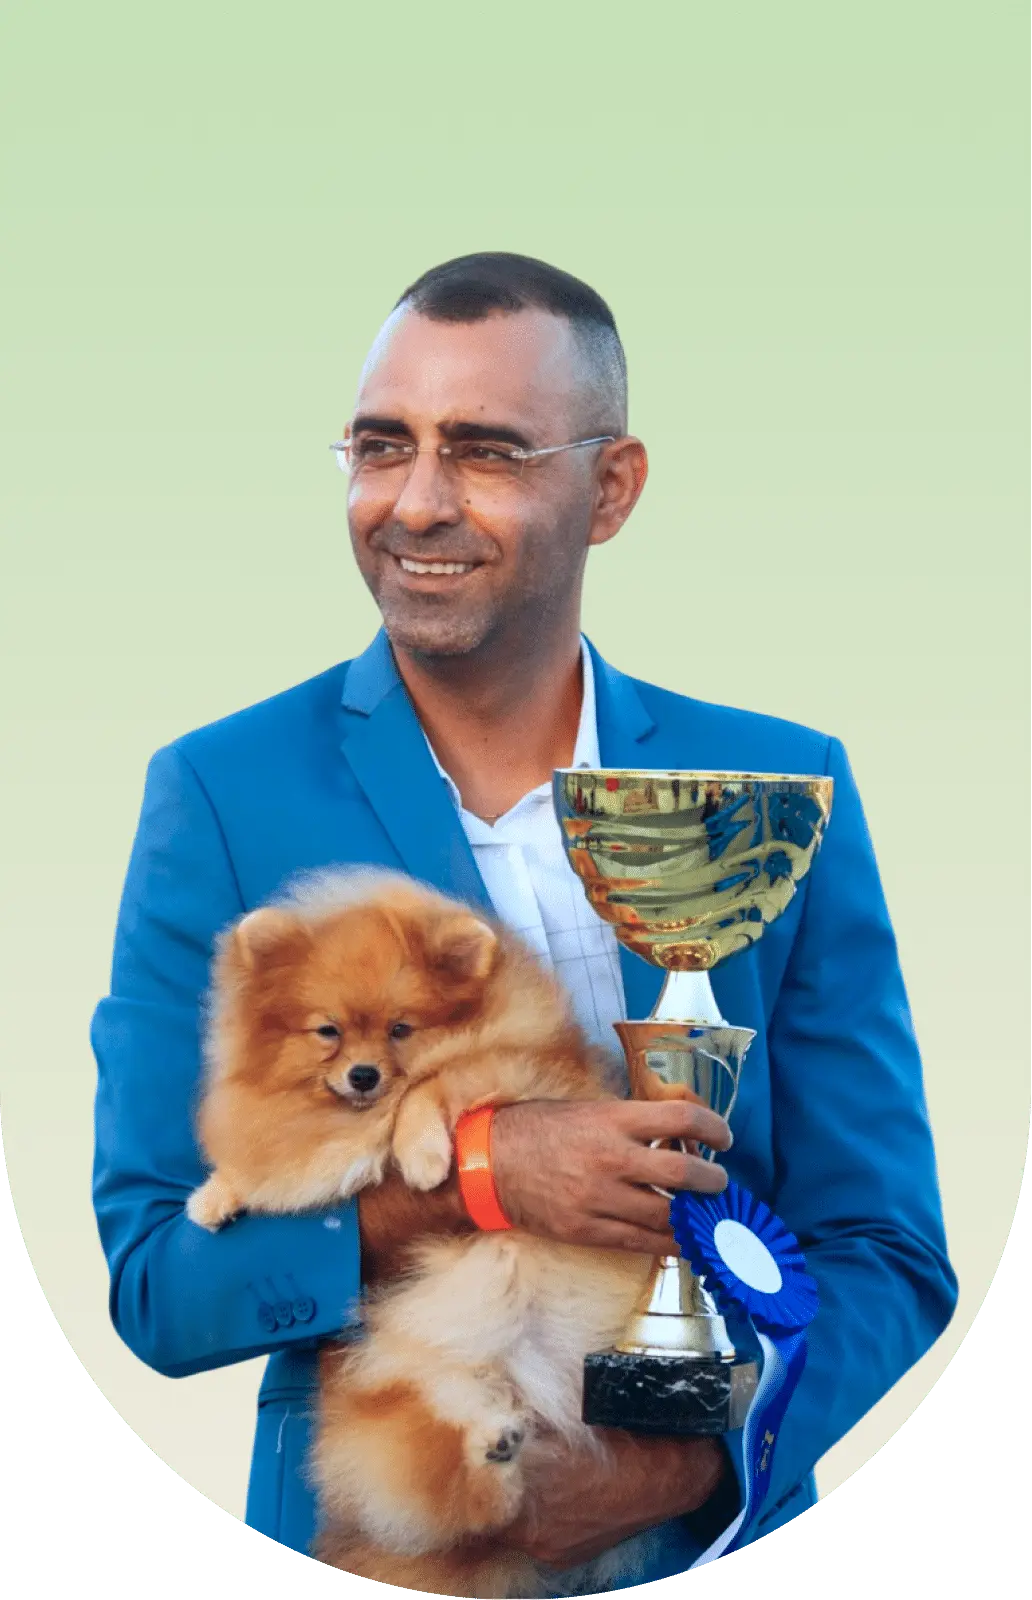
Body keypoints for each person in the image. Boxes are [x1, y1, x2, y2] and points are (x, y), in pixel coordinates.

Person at [91, 252, 957, 1589]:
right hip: (383, 1531)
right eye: (383, 444)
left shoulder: (776, 790)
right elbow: (160, 1280)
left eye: (487, 450)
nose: (417, 501)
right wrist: (481, 1174)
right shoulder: (220, 792)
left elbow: (886, 1248)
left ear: (612, 489)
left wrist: (682, 1470)